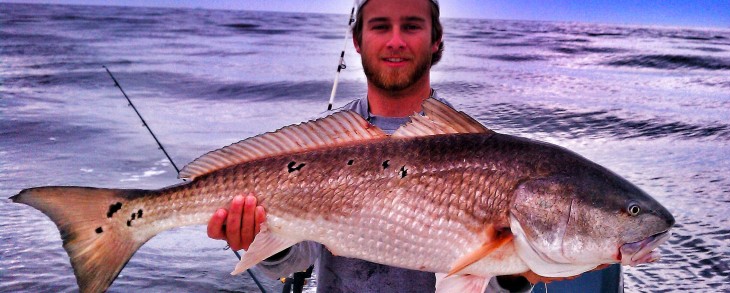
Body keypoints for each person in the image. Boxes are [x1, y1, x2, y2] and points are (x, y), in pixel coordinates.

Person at [207, 0, 617, 292]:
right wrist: (251, 238)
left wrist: (517, 273)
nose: (397, 40)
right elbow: (298, 261)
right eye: (381, 25)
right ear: (358, 40)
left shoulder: (485, 152)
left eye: (412, 25)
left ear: (436, 40)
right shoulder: (327, 147)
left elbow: (481, 287)